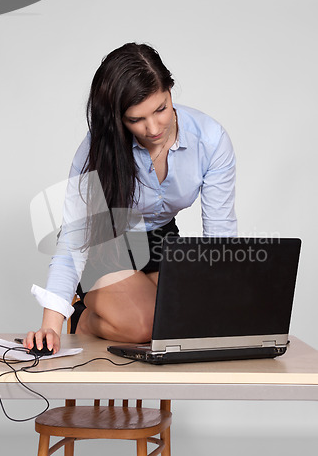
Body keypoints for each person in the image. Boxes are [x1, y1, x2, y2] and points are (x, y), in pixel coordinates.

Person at [24, 42, 237, 354]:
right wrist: (50, 325)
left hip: (162, 238)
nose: (153, 129)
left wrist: (230, 309)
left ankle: (122, 311)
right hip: (107, 240)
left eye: (161, 109)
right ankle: (84, 321)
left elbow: (219, 235)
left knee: (182, 324)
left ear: (170, 90)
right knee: (144, 325)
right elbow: (73, 240)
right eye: (136, 119)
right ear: (118, 117)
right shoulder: (98, 146)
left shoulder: (210, 140)